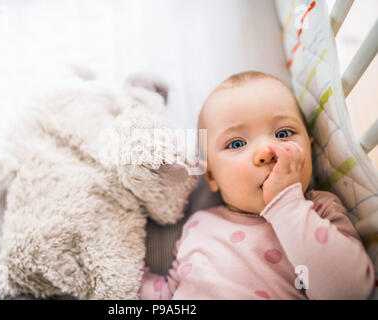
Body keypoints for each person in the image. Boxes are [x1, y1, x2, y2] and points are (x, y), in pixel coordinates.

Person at [139, 71, 375, 299]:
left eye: (283, 134)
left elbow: (350, 291)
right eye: (236, 144)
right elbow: (169, 292)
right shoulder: (198, 224)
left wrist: (287, 205)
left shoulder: (319, 211)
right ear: (211, 176)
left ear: (309, 151)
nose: (267, 152)